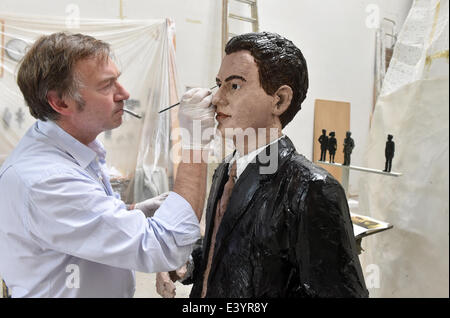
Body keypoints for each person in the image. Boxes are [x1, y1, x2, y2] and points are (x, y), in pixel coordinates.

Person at [0, 32, 215, 297]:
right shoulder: (47, 179)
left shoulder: (74, 147)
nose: (124, 93)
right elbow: (164, 246)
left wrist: (135, 210)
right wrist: (195, 141)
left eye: (118, 80)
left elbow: (81, 217)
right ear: (60, 102)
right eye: (107, 85)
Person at [156, 32, 368, 298]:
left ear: (279, 100)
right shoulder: (225, 170)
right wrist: (186, 264)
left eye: (234, 86)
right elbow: (220, 248)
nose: (216, 99)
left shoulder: (312, 188)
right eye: (218, 84)